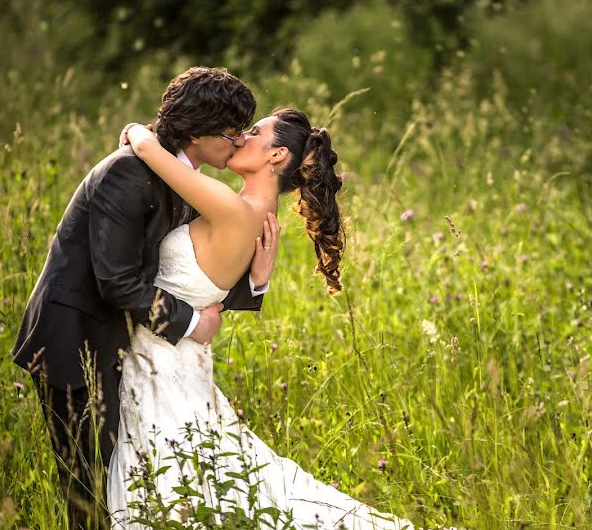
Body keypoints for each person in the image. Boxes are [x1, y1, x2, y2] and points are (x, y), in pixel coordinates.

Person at [108, 109, 412, 529]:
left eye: (252, 133)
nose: (237, 137)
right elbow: (199, 279)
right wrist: (255, 283)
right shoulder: (255, 216)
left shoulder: (233, 208)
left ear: (276, 155)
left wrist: (138, 130)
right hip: (176, 364)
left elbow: (146, 148)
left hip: (162, 368)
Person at [13, 67, 279, 530]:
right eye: (232, 133)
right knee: (90, 492)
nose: (238, 143)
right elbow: (116, 281)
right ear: (197, 131)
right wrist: (194, 325)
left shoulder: (175, 171)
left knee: (132, 489)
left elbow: (188, 266)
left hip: (131, 346)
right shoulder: (128, 173)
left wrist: (255, 282)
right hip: (77, 342)